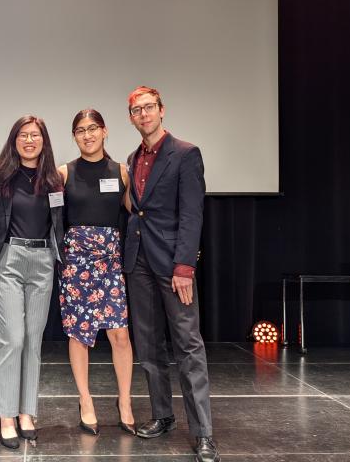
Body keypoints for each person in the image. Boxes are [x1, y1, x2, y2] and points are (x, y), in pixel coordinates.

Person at [123, 86, 219, 462]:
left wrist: (184, 266)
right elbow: (138, 209)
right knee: (148, 347)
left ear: (162, 110)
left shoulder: (185, 153)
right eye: (136, 110)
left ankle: (204, 433)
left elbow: (193, 213)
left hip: (173, 264)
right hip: (139, 262)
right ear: (130, 117)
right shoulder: (133, 157)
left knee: (188, 346)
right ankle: (163, 415)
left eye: (149, 107)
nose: (143, 114)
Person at [0, 115, 64, 449]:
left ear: (44, 140)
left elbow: (59, 223)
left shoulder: (54, 180)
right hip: (8, 261)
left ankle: (27, 413)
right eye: (23, 135)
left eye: (36, 135)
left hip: (43, 261)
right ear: (14, 140)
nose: (30, 140)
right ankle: (6, 415)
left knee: (33, 340)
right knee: (12, 340)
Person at [57, 109, 136, 436]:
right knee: (80, 334)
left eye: (92, 128)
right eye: (80, 130)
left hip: (110, 261)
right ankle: (86, 401)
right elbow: (51, 218)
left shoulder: (122, 172)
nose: (87, 135)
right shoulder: (63, 172)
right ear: (74, 136)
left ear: (104, 131)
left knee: (119, 334)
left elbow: (138, 214)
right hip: (76, 263)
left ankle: (125, 402)